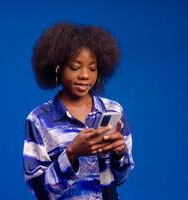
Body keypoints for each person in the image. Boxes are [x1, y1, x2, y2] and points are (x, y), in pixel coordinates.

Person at [23, 22, 134, 200]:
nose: (85, 75)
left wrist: (120, 153)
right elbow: (40, 191)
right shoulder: (39, 119)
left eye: (93, 68)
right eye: (75, 67)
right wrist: (72, 153)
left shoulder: (114, 110)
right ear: (58, 68)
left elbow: (121, 178)